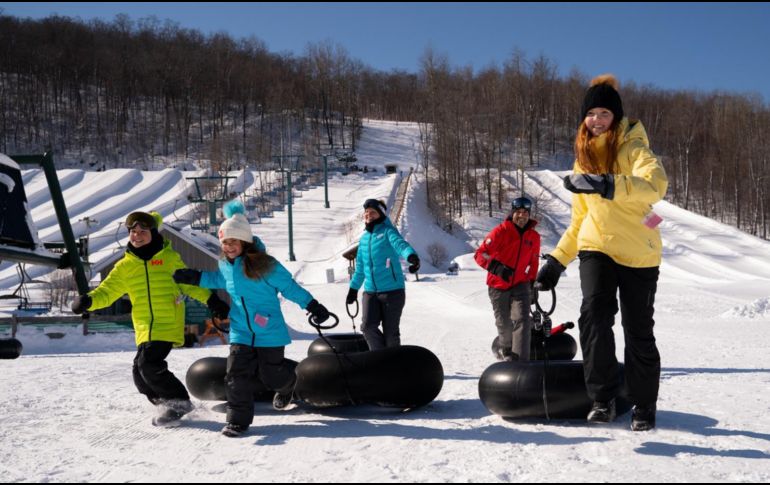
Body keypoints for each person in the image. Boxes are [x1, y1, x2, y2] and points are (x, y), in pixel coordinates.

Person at [535, 74, 668, 431]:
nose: (596, 120)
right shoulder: (583, 161)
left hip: (639, 251)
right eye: (590, 113)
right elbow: (581, 220)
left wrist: (608, 183)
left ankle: (643, 405)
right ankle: (602, 398)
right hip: (596, 248)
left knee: (637, 329)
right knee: (594, 315)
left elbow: (656, 185)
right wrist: (556, 262)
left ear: (616, 116)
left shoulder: (633, 147)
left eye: (604, 113)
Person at [173, 200, 330, 438]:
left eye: (233, 241)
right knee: (235, 375)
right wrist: (196, 277)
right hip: (240, 330)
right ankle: (237, 421)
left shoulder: (266, 266)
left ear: (245, 241)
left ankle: (289, 386)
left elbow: (289, 288)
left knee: (271, 375)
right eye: (225, 242)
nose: (228, 246)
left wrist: (312, 305)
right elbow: (218, 281)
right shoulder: (225, 265)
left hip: (269, 330)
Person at [71, 211, 228, 426]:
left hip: (166, 322)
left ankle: (180, 403)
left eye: (142, 231)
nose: (137, 236)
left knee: (149, 365)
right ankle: (165, 403)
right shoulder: (125, 267)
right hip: (144, 326)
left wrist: (212, 301)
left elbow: (187, 285)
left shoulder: (169, 259)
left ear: (153, 233)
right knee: (139, 373)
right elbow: (107, 292)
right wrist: (88, 301)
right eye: (133, 232)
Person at [346, 199, 420, 350]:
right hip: (370, 292)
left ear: (380, 214)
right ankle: (380, 360)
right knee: (367, 327)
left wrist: (411, 256)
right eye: (366, 213)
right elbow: (360, 268)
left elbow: (400, 245)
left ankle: (392, 365)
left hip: (392, 291)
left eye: (372, 212)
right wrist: (353, 289)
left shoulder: (388, 231)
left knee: (390, 334)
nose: (369, 215)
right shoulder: (364, 239)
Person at [475, 196, 540, 361]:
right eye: (518, 212)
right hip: (497, 285)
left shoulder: (534, 237)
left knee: (522, 320)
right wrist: (497, 268)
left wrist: (532, 285)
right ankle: (506, 350)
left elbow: (533, 262)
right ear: (512, 213)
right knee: (504, 324)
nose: (522, 216)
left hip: (521, 284)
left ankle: (521, 362)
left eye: (525, 212)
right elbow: (480, 254)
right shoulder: (500, 231)